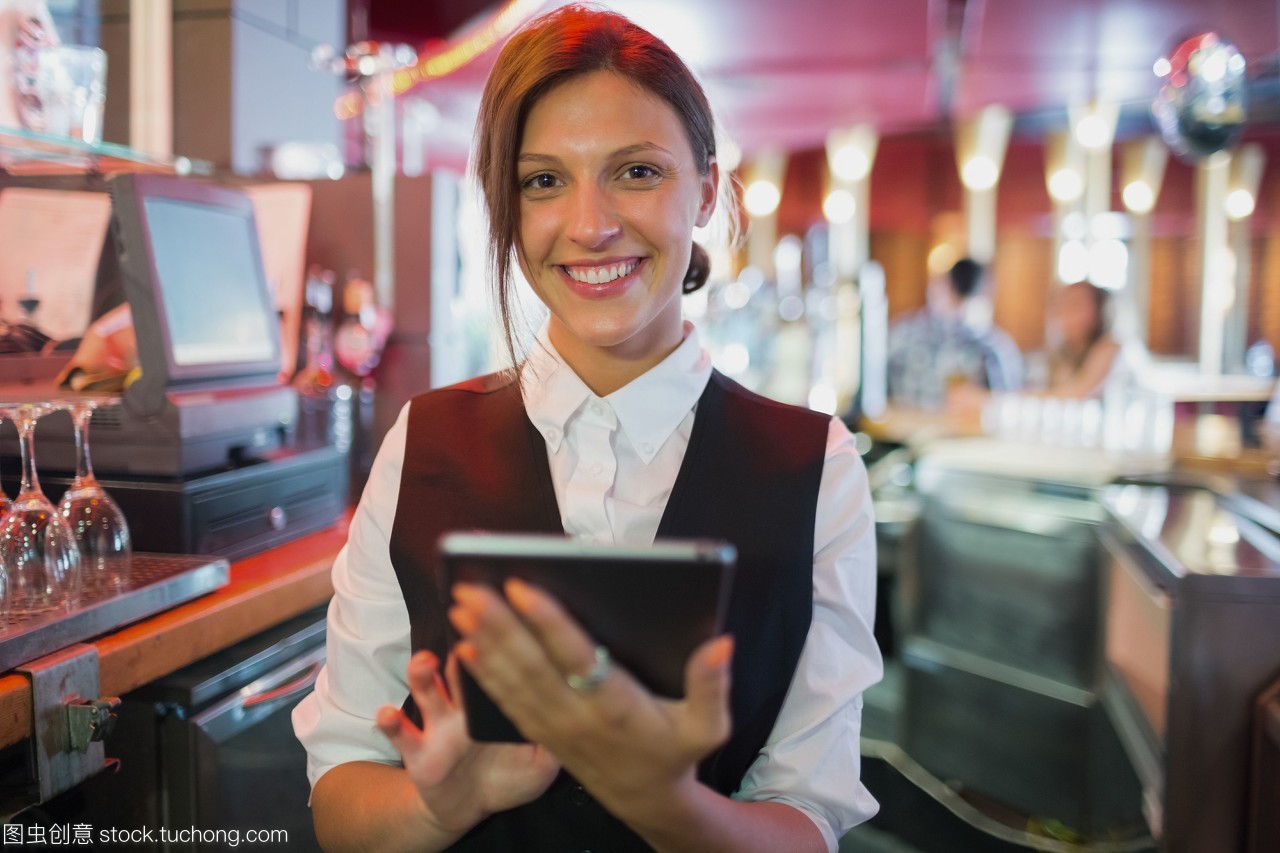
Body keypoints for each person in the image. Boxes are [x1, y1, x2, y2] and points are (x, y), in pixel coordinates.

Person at [292, 6, 881, 853]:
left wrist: (667, 803)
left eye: (636, 171)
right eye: (543, 181)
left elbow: (807, 819)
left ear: (707, 190)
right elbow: (341, 795)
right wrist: (440, 805)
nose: (589, 225)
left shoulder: (812, 466)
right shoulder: (423, 442)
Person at [886, 257, 1023, 411]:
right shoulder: (995, 346)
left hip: (897, 429)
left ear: (946, 285)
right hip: (962, 432)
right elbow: (1009, 405)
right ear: (986, 291)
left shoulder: (902, 332)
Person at [1044, 280, 1121, 398]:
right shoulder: (1064, 351)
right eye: (1062, 304)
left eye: (1075, 305)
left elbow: (1078, 393)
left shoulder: (1110, 348)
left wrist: (1029, 396)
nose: (1065, 312)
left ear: (1099, 312)